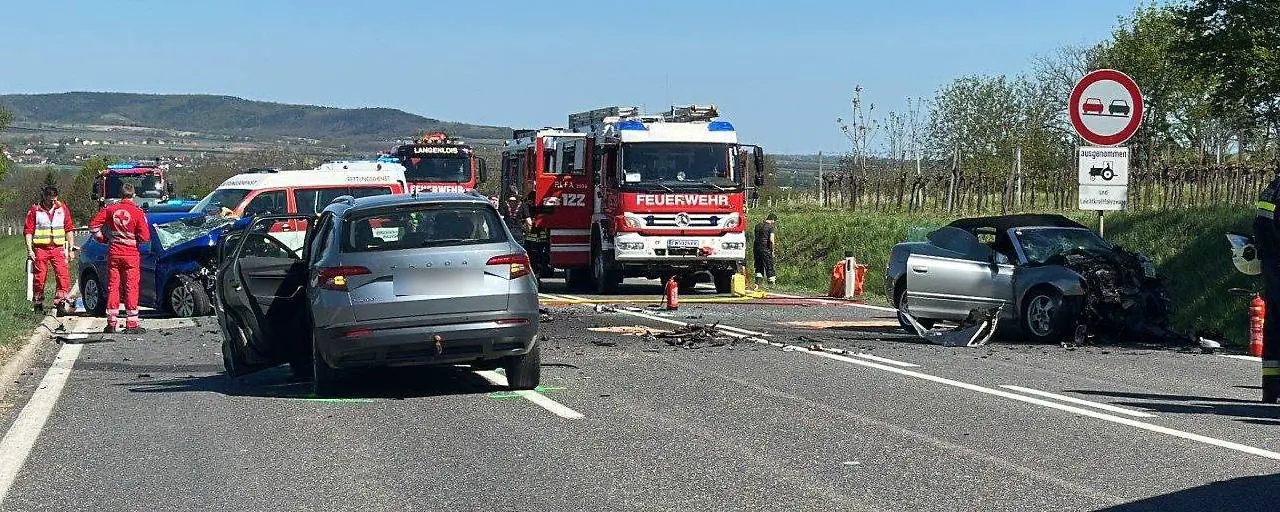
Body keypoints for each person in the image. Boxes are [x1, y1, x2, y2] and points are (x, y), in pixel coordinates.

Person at [89, 183, 150, 334]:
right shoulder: (137, 212)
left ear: (120, 194)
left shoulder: (110, 209)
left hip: (114, 253)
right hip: (130, 256)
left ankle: (111, 323)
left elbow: (93, 226)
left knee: (113, 287)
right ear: (133, 195)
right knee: (131, 288)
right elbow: (145, 237)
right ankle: (132, 323)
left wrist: (103, 239)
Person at [24, 186, 76, 315]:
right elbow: (28, 231)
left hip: (58, 248)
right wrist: (30, 249)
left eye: (55, 199)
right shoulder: (35, 210)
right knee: (40, 277)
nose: (53, 202)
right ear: (44, 197)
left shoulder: (63, 209)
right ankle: (38, 302)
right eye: (50, 200)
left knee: (63, 275)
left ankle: (61, 303)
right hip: (41, 248)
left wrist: (71, 248)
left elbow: (68, 229)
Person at [1256, 172, 1280, 403]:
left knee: (1274, 324)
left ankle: (1271, 389)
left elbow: (1261, 224)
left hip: (1272, 263)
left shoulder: (1273, 188)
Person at [753, 213, 779, 284]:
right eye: (774, 221)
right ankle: (771, 281)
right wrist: (772, 250)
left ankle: (758, 282)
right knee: (769, 264)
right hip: (766, 248)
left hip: (756, 248)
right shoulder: (770, 227)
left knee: (758, 264)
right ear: (772, 220)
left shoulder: (757, 226)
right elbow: (771, 240)